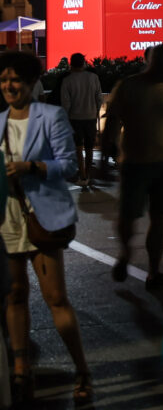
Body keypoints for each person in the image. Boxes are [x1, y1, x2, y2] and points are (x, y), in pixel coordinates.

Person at [0, 52, 90, 405]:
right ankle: (22, 371)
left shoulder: (51, 115)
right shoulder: (0, 120)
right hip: (7, 217)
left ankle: (82, 370)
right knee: (15, 295)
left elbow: (68, 165)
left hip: (42, 217)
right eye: (4, 79)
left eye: (15, 79)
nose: (9, 86)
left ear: (32, 82)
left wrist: (31, 166)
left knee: (56, 298)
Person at [102, 43, 163, 289]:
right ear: (158, 63)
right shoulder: (129, 86)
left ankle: (153, 272)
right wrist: (105, 157)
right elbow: (112, 121)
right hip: (134, 162)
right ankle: (125, 251)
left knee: (158, 217)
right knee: (128, 216)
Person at [57, 53, 101, 191]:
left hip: (74, 118)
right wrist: (95, 111)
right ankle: (88, 173)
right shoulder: (93, 78)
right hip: (90, 116)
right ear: (84, 63)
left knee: (78, 147)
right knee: (89, 147)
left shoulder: (67, 80)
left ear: (71, 64)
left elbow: (66, 103)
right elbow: (99, 98)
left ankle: (81, 175)